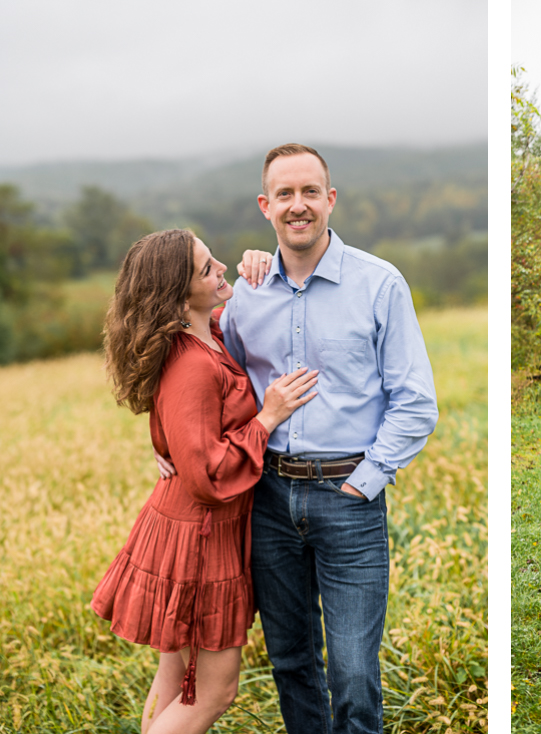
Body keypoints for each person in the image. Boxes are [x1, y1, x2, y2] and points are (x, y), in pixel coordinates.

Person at [167, 143, 438, 734]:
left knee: (353, 673)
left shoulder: (379, 284)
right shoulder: (244, 296)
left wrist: (365, 482)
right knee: (291, 662)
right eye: (284, 194)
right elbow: (212, 385)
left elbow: (414, 401)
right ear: (266, 206)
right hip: (265, 499)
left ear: (330, 199)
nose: (298, 206)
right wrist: (171, 447)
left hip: (350, 498)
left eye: (310, 192)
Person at [92, 229, 319, 733]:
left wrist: (261, 260)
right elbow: (206, 473)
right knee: (214, 690)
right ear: (177, 295)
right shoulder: (192, 361)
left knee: (175, 676)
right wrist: (268, 417)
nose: (220, 267)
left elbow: (180, 430)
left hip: (188, 525)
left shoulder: (203, 334)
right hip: (199, 534)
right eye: (205, 268)